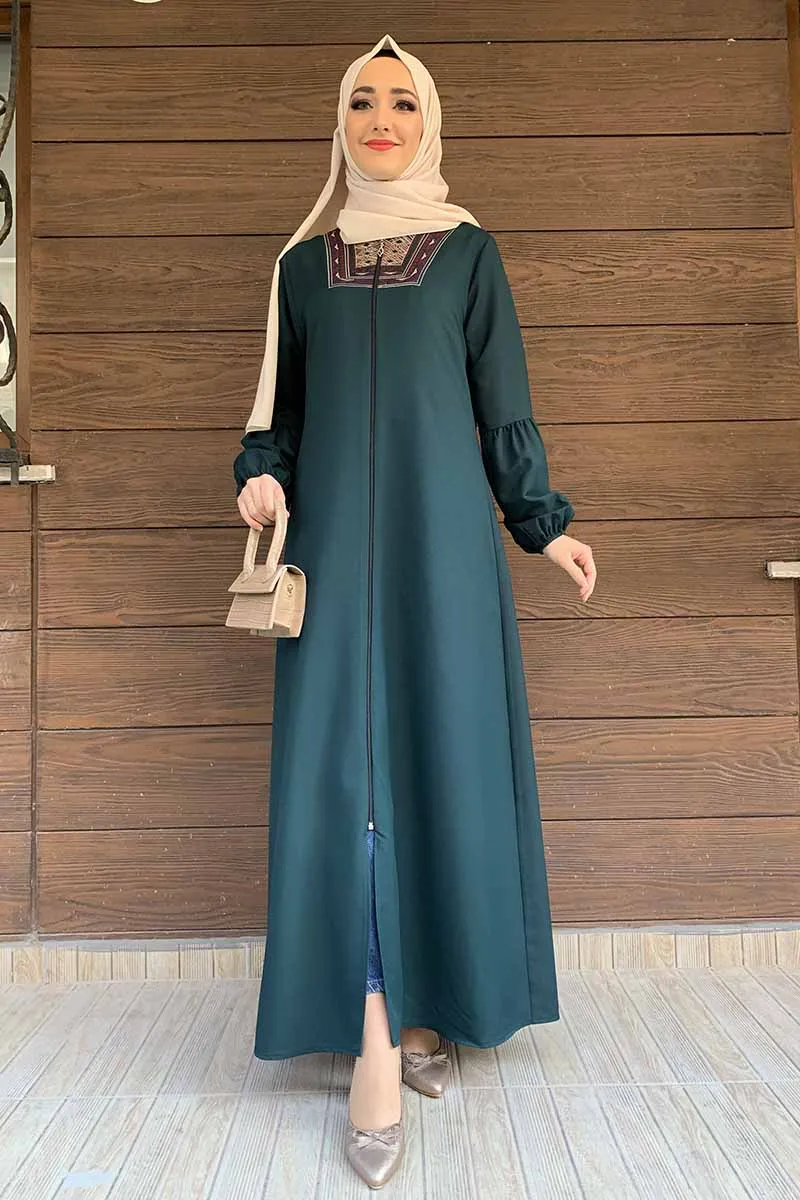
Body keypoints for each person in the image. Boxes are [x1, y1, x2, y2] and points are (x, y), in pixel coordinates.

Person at [233, 32, 597, 1189]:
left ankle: (430, 1005)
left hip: (442, 560)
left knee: (438, 768)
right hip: (333, 565)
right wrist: (258, 475)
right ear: (337, 123)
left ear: (427, 120)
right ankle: (376, 1041)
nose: (380, 120)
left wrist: (541, 523)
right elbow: (279, 419)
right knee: (345, 784)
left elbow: (502, 406)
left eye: (400, 102)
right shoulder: (302, 268)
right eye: (361, 102)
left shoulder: (467, 252)